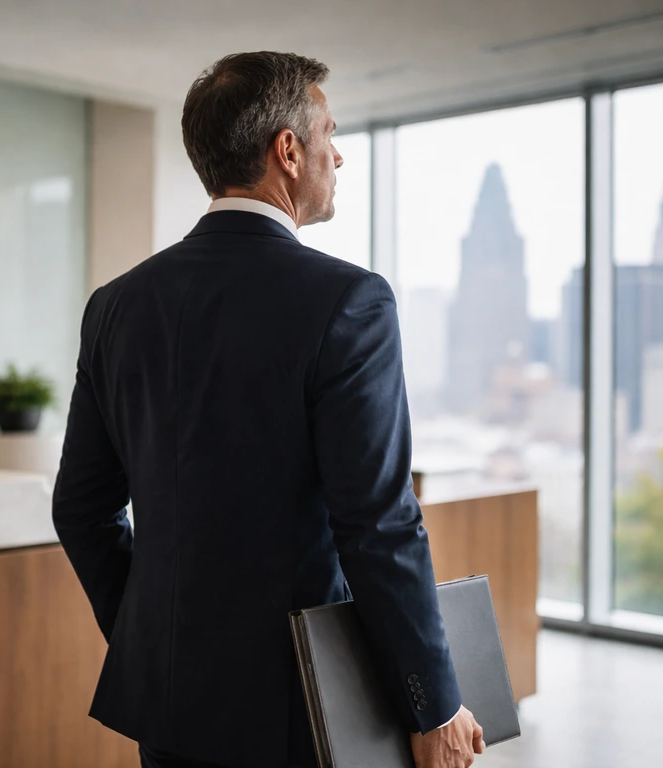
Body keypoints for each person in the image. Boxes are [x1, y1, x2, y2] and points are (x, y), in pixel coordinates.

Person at [53, 51, 485, 768]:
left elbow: (80, 509)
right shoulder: (350, 301)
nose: (337, 156)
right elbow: (377, 525)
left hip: (169, 704)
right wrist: (433, 704)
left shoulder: (116, 306)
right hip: (301, 707)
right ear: (288, 150)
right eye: (328, 135)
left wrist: (153, 638)